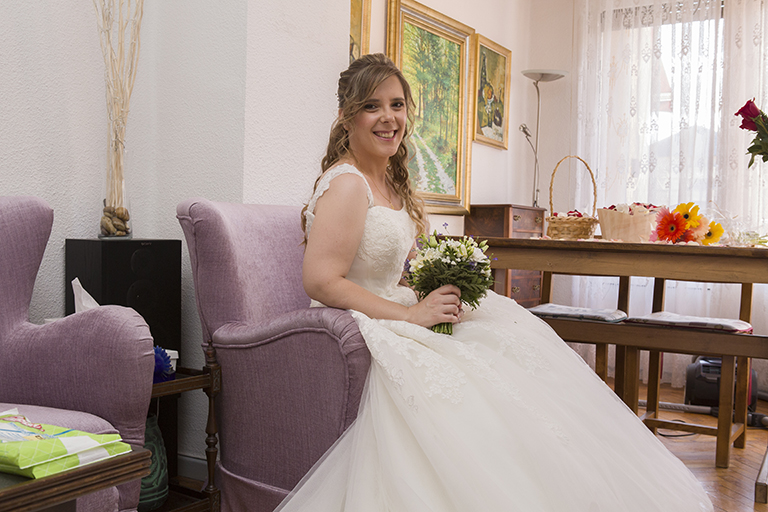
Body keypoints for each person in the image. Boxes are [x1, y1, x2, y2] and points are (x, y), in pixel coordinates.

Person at [278, 53, 713, 511]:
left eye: (397, 104)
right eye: (372, 106)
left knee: (509, 336)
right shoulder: (348, 184)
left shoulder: (388, 181)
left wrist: (443, 285)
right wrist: (410, 314)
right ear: (347, 116)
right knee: (480, 377)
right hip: (364, 317)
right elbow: (321, 281)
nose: (389, 117)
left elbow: (399, 264)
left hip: (396, 303)